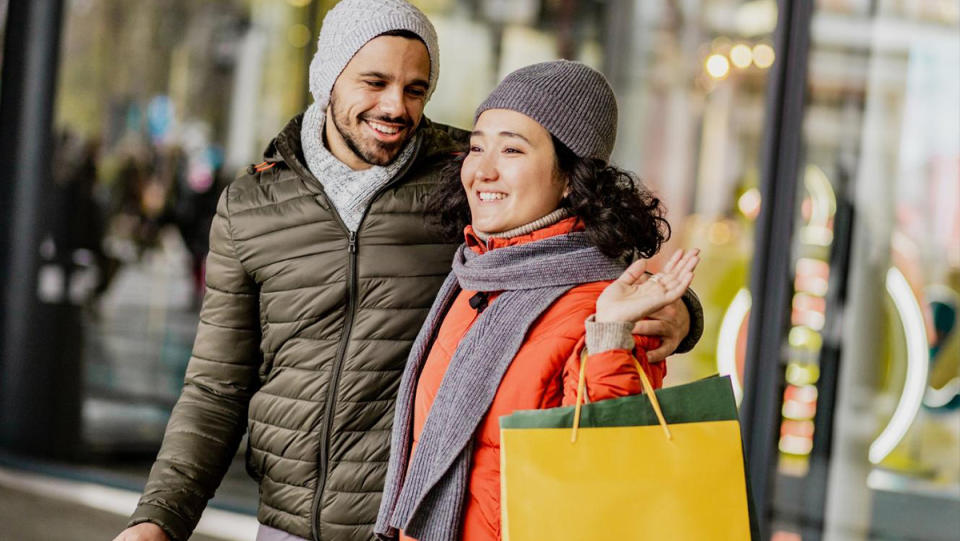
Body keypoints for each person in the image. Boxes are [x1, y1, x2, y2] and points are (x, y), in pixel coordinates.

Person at [113, 2, 703, 540]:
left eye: (416, 88)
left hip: (400, 516)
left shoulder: (457, 180)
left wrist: (676, 314)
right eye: (374, 81)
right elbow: (216, 385)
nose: (396, 105)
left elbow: (586, 260)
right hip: (288, 520)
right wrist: (159, 519)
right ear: (328, 79)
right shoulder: (256, 204)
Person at [374, 60, 698, 541]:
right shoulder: (475, 274)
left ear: (571, 178)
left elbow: (603, 472)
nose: (482, 169)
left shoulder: (609, 304)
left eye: (511, 149)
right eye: (477, 146)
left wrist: (611, 335)